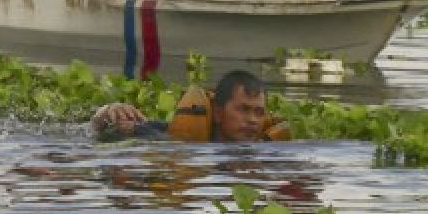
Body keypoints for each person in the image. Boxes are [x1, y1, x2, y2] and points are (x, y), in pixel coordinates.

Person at [90, 70, 290, 142]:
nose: (253, 120)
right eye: (243, 109)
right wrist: (109, 110)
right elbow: (101, 126)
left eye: (259, 112)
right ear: (218, 113)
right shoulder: (169, 135)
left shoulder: (269, 150)